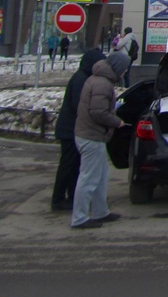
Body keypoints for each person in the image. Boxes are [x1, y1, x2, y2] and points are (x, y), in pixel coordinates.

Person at [70, 50, 128, 229]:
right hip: (91, 136)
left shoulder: (98, 79)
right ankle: (79, 218)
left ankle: (100, 211)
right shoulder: (103, 84)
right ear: (118, 68)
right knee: (89, 178)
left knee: (101, 176)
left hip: (91, 135)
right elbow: (97, 112)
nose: (126, 71)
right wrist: (117, 122)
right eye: (125, 68)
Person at [50, 48, 106, 211]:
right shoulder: (81, 80)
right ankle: (58, 199)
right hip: (70, 130)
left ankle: (71, 197)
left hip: (72, 129)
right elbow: (79, 106)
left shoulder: (83, 77)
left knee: (74, 166)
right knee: (68, 166)